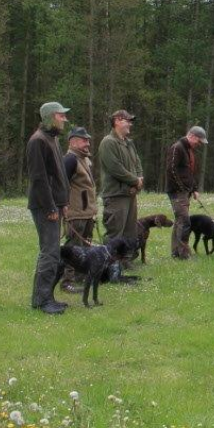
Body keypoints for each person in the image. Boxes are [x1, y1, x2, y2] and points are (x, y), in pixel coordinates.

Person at [27, 101, 71, 315]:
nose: (65, 119)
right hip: (44, 205)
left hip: (54, 204)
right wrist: (50, 207)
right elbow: (39, 179)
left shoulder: (52, 139)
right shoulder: (38, 141)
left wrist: (63, 203)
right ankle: (41, 301)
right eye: (61, 115)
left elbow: (59, 175)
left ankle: (46, 297)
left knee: (52, 252)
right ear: (51, 117)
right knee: (50, 253)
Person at [60, 126, 98, 292]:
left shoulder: (84, 159)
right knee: (73, 248)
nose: (87, 143)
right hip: (75, 213)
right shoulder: (70, 159)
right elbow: (61, 185)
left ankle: (81, 277)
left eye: (88, 140)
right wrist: (64, 207)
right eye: (84, 140)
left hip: (87, 213)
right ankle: (66, 282)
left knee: (85, 248)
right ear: (73, 142)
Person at [99, 109, 144, 241]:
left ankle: (126, 259)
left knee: (130, 232)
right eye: (128, 121)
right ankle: (110, 261)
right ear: (117, 120)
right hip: (115, 196)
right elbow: (115, 168)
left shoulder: (129, 143)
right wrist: (135, 180)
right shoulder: (108, 142)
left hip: (130, 194)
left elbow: (137, 163)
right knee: (115, 233)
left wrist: (140, 179)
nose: (130, 124)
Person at [166, 126, 208, 259]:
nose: (199, 144)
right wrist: (182, 187)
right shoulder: (177, 148)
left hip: (185, 191)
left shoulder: (188, 150)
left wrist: (194, 188)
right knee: (185, 221)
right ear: (192, 136)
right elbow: (171, 170)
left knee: (180, 221)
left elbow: (188, 172)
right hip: (177, 192)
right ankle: (184, 254)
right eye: (199, 141)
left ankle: (176, 252)